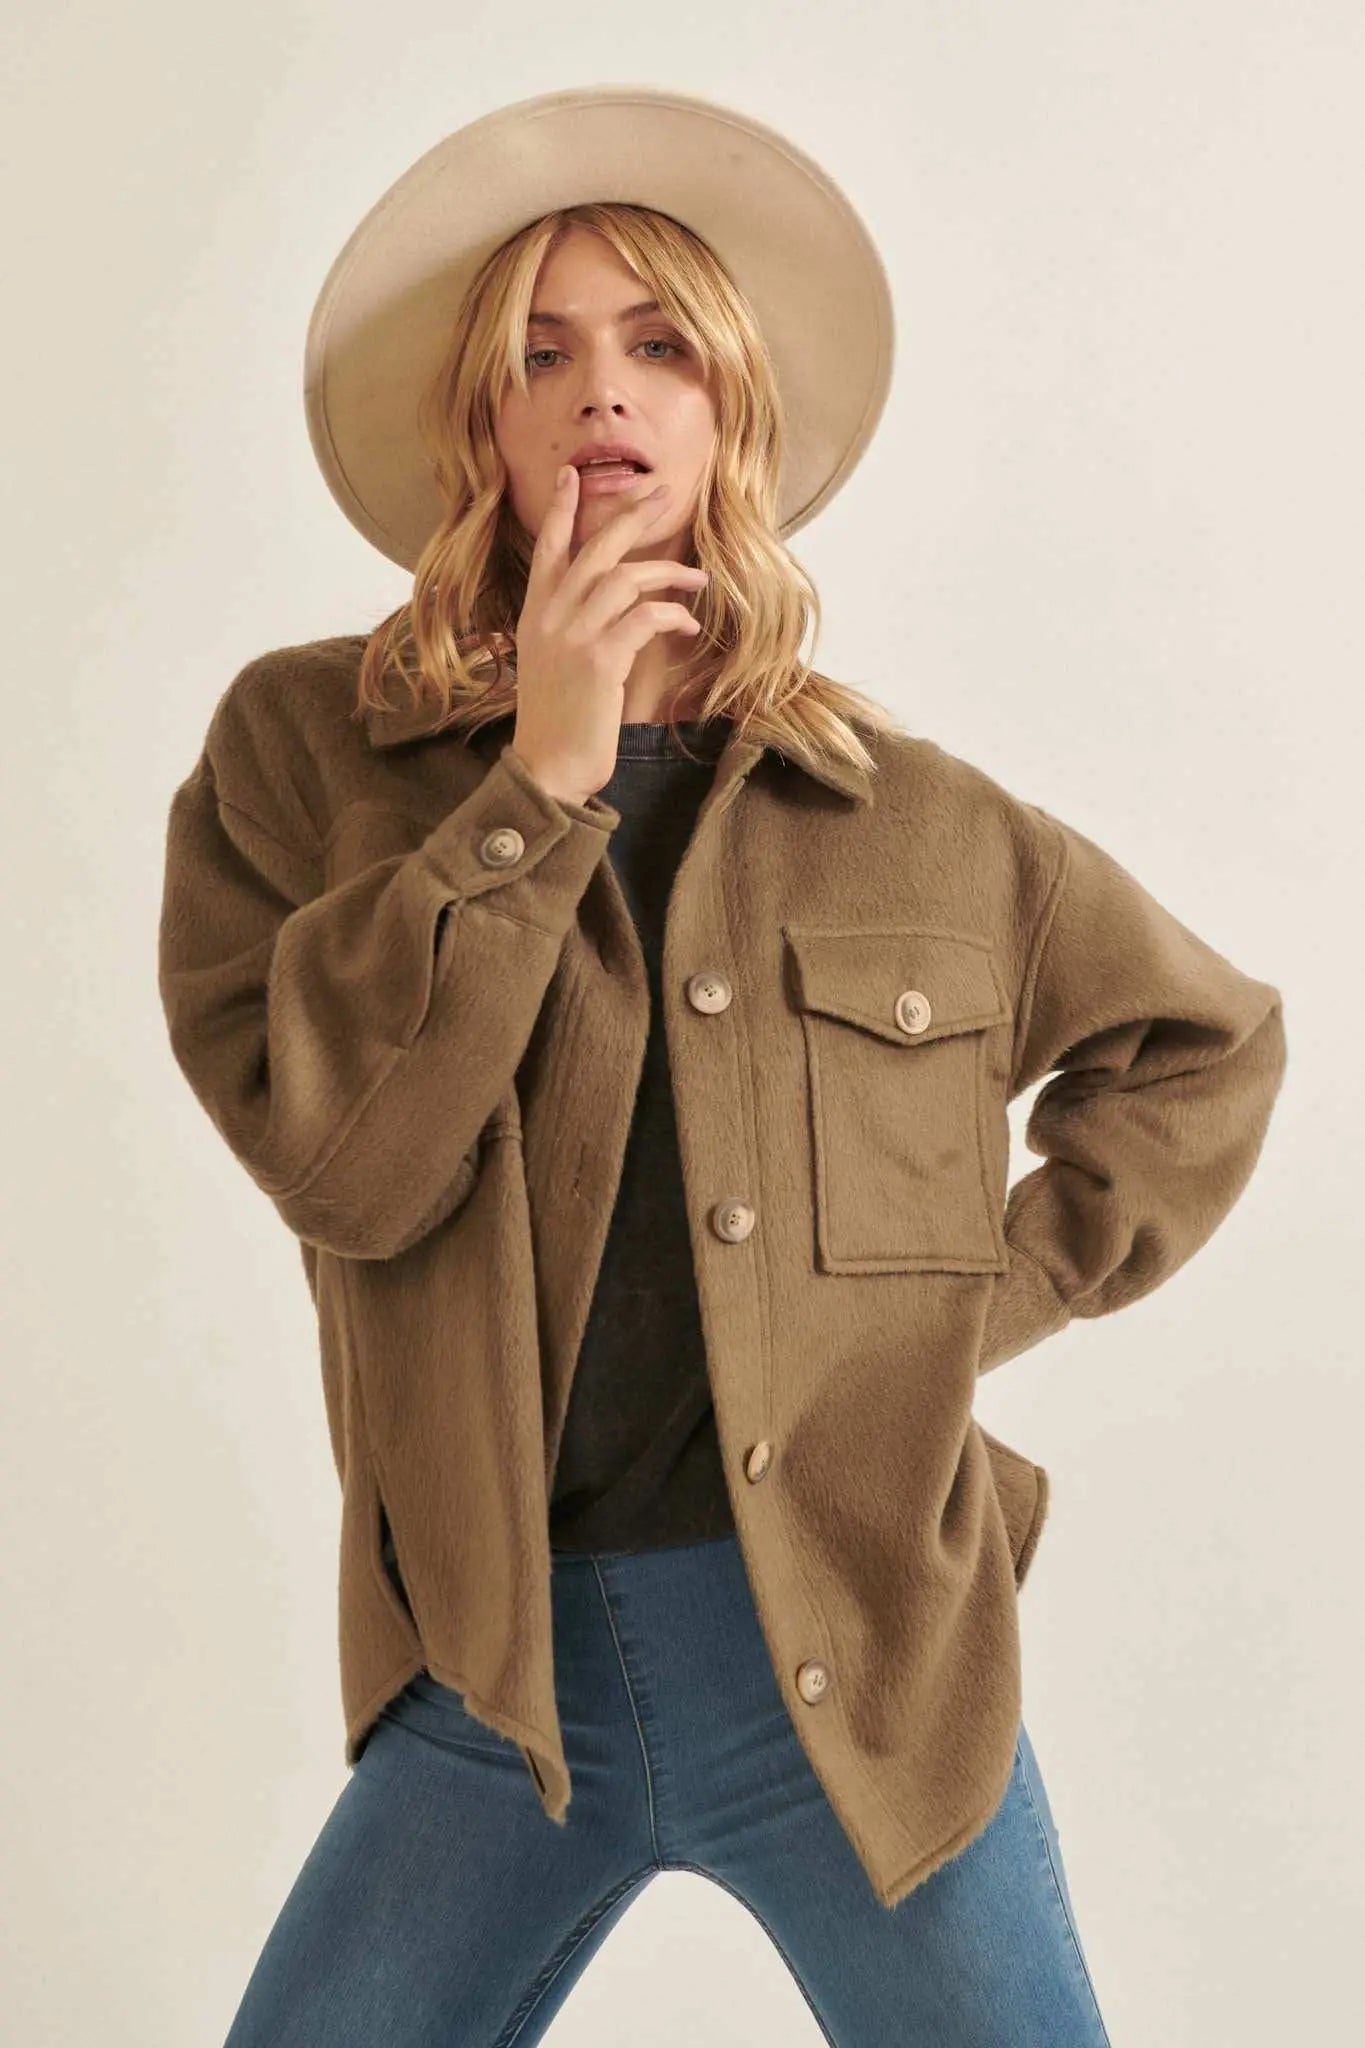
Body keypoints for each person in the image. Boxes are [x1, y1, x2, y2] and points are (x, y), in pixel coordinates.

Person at [157, 87, 1286, 2046]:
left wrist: (936, 1311)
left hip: (852, 1659)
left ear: (730, 410)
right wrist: (538, 783)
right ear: (479, 424)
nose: (600, 391)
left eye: (658, 344)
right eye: (539, 352)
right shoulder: (307, 758)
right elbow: (341, 1169)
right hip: (495, 1684)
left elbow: (1205, 1047)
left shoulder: (914, 818)